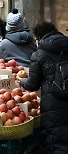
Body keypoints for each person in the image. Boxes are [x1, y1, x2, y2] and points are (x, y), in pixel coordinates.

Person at [20, 22, 68, 153]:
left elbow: (32, 85)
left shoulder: (39, 54)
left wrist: (21, 81)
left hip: (53, 107)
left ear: (38, 38)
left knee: (55, 144)